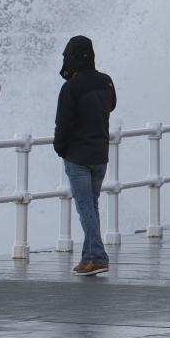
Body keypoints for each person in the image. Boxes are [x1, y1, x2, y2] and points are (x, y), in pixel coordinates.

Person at [53, 36, 116, 277]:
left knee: (85, 207)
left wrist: (61, 149)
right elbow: (111, 105)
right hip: (100, 154)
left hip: (78, 156)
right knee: (92, 205)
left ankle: (98, 257)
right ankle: (88, 257)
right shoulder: (106, 81)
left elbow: (63, 123)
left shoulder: (71, 87)